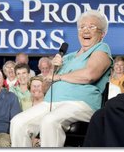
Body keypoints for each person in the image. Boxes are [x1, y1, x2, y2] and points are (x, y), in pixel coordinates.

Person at [10, 10, 113, 147]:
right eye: (81, 27)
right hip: (50, 104)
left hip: (80, 103)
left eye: (91, 27)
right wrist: (53, 70)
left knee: (50, 121)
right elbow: (46, 88)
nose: (85, 30)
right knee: (18, 122)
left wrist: (59, 76)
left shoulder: (101, 48)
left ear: (102, 34)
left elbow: (90, 75)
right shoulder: (67, 57)